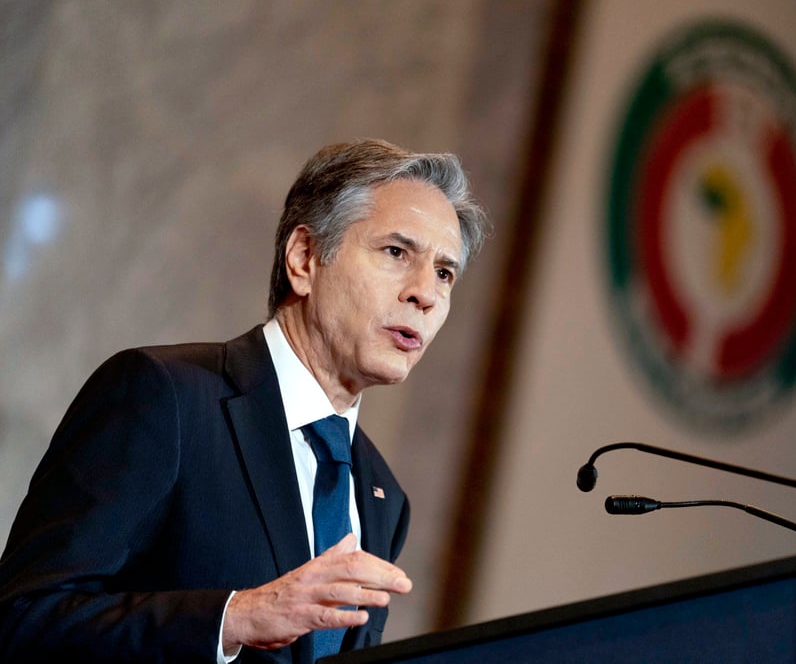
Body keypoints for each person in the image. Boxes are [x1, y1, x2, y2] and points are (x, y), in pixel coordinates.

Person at [0, 139, 489, 663]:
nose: (427, 294)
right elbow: (22, 620)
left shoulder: (383, 496)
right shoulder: (166, 396)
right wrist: (236, 619)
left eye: (445, 272)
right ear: (304, 258)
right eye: (396, 252)